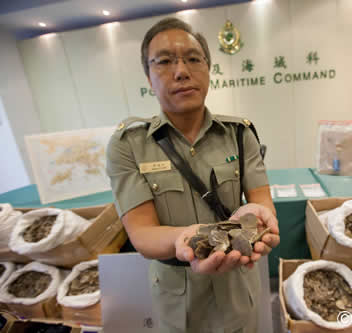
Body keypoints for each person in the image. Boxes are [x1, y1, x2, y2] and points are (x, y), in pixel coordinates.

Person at [106, 17, 280, 333]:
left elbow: (261, 201)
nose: (182, 70)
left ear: (208, 70)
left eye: (193, 59)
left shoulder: (240, 134)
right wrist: (185, 238)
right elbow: (142, 234)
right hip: (177, 296)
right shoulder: (128, 145)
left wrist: (262, 218)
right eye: (164, 61)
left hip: (238, 284)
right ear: (148, 76)